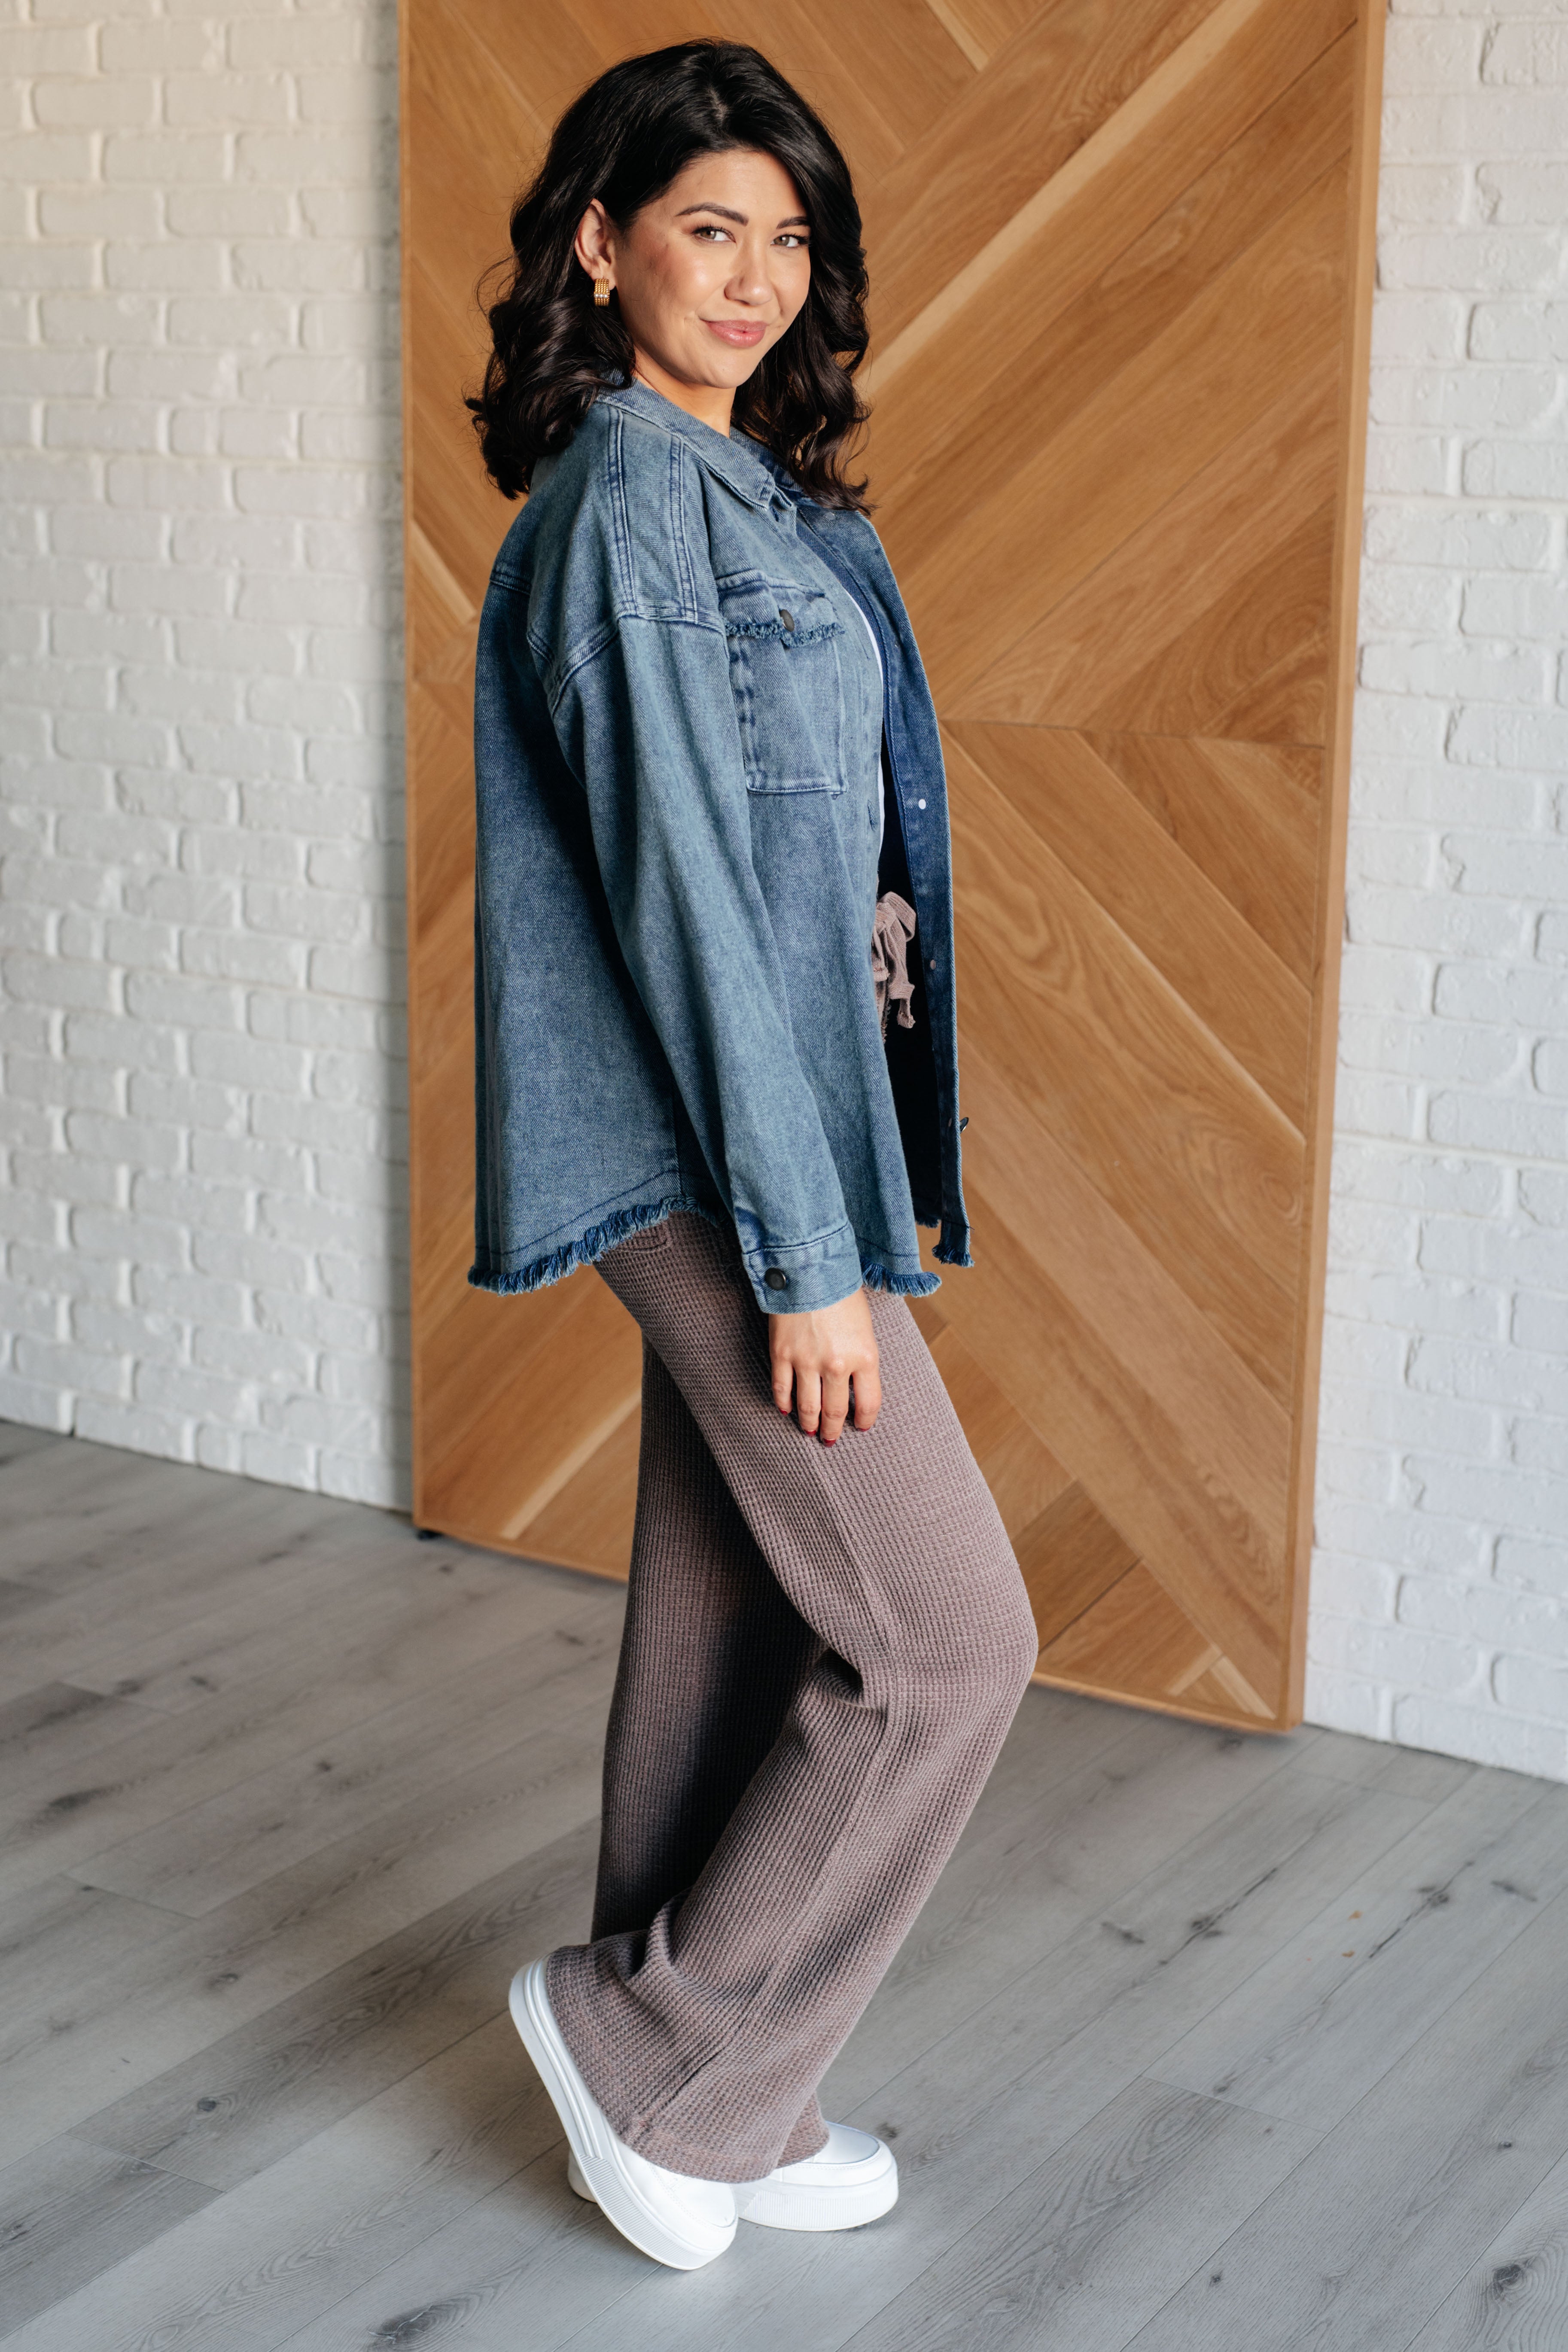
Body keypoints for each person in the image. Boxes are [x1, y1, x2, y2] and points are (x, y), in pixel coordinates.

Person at [465, 38, 1038, 2273]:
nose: (756, 279)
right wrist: (812, 1256)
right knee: (943, 1640)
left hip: (772, 1140)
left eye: (789, 242)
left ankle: (726, 2074)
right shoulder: (622, 505)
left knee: (737, 1607)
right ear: (600, 246)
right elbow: (689, 897)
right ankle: (658, 2046)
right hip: (720, 1165)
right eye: (709, 228)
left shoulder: (755, 501)